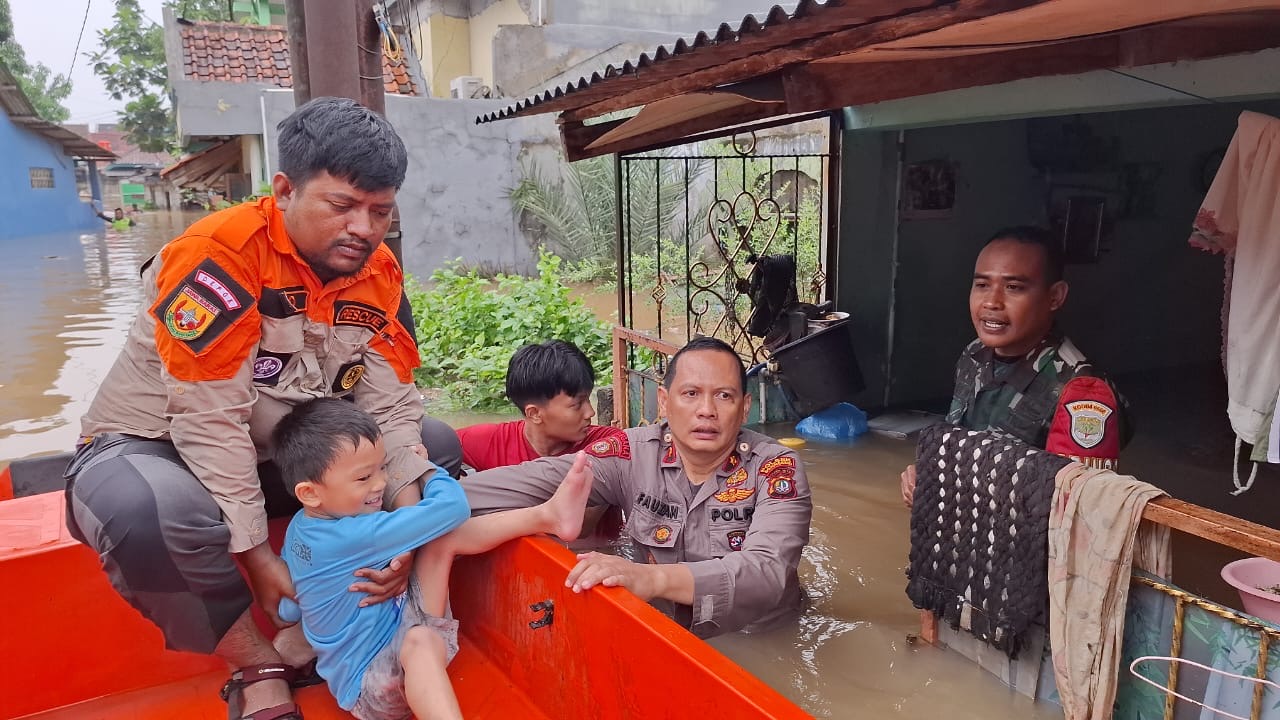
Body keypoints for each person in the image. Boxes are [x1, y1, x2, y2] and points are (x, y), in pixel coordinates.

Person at [63, 97, 462, 720]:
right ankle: (255, 662)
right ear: (284, 191)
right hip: (158, 441)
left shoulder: (380, 276)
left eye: (379, 211)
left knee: (434, 448)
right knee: (145, 514)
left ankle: (355, 623)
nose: (363, 227)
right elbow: (209, 420)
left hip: (277, 450)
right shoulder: (219, 258)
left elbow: (391, 409)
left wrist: (399, 538)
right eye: (342, 206)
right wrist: (259, 557)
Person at [462, 336, 813, 638]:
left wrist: (652, 579)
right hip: (663, 629)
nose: (706, 410)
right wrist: (417, 499)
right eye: (690, 393)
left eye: (723, 396)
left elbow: (767, 571)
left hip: (762, 636)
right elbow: (523, 483)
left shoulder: (775, 467)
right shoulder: (630, 455)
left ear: (745, 407)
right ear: (664, 401)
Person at [274, 398, 591, 720]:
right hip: (374, 691)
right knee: (422, 639)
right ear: (311, 492)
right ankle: (547, 516)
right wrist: (426, 471)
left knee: (439, 538)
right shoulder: (358, 533)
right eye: (363, 478)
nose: (381, 483)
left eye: (382, 467)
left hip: (348, 677)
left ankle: (549, 516)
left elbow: (289, 604)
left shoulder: (299, 528)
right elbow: (452, 509)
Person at [900, 226, 1132, 506]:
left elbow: (1080, 511)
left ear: (1055, 297)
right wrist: (929, 476)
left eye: (1014, 288)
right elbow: (959, 445)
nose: (991, 302)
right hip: (965, 536)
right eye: (982, 285)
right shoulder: (974, 355)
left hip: (1019, 546)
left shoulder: (1082, 392)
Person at [456, 340, 624, 471]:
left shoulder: (609, 443)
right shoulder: (491, 442)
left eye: (588, 399)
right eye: (577, 404)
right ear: (535, 413)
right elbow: (431, 446)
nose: (590, 412)